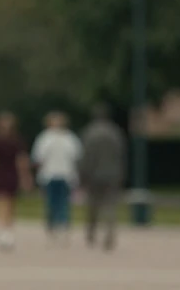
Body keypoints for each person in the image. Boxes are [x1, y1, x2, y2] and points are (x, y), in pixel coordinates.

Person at [79, 103, 126, 251]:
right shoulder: (115, 133)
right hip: (113, 174)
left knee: (93, 205)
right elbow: (121, 155)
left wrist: (83, 174)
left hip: (94, 174)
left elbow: (86, 156)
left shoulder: (89, 133)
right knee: (110, 205)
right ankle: (110, 233)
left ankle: (91, 232)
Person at [31, 110, 82, 244]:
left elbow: (76, 156)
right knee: (51, 203)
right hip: (49, 175)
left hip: (66, 174)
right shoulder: (44, 138)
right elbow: (38, 157)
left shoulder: (70, 138)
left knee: (64, 203)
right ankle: (51, 226)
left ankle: (64, 226)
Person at [0, 111, 30, 251]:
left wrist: (25, 177)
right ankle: (5, 232)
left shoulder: (16, 141)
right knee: (1, 202)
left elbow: (21, 161)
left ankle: (7, 231)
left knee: (10, 203)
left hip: (11, 174)